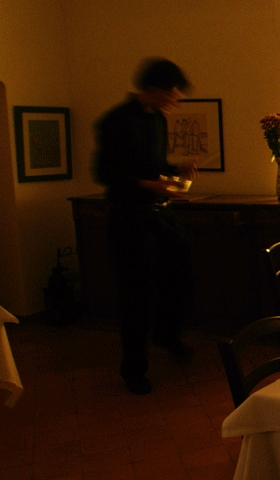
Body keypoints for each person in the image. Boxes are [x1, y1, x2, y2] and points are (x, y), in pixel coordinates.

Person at [93, 58, 198, 395]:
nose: (174, 100)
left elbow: (155, 165)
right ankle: (133, 369)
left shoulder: (157, 120)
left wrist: (176, 170)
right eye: (171, 93)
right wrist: (150, 184)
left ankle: (167, 335)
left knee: (181, 274)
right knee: (136, 293)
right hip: (128, 216)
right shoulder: (115, 121)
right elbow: (105, 174)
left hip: (159, 214)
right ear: (153, 89)